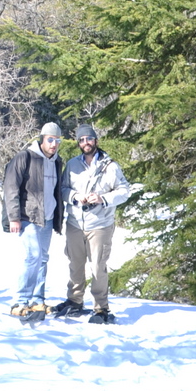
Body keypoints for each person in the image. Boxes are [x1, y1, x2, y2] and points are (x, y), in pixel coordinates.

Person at [54, 126, 132, 324]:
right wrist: (75, 196)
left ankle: (101, 308)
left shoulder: (110, 166)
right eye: (81, 140)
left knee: (98, 267)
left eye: (89, 139)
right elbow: (62, 189)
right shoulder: (72, 165)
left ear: (96, 140)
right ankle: (75, 301)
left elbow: (124, 191)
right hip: (75, 223)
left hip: (100, 224)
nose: (85, 143)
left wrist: (102, 198)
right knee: (75, 264)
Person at [2, 122, 69, 317]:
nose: (54, 144)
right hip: (27, 216)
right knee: (33, 256)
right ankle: (21, 302)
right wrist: (14, 217)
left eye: (57, 141)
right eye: (50, 140)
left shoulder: (57, 161)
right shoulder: (25, 157)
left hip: (47, 218)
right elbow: (11, 188)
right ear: (42, 139)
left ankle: (37, 301)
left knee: (43, 259)